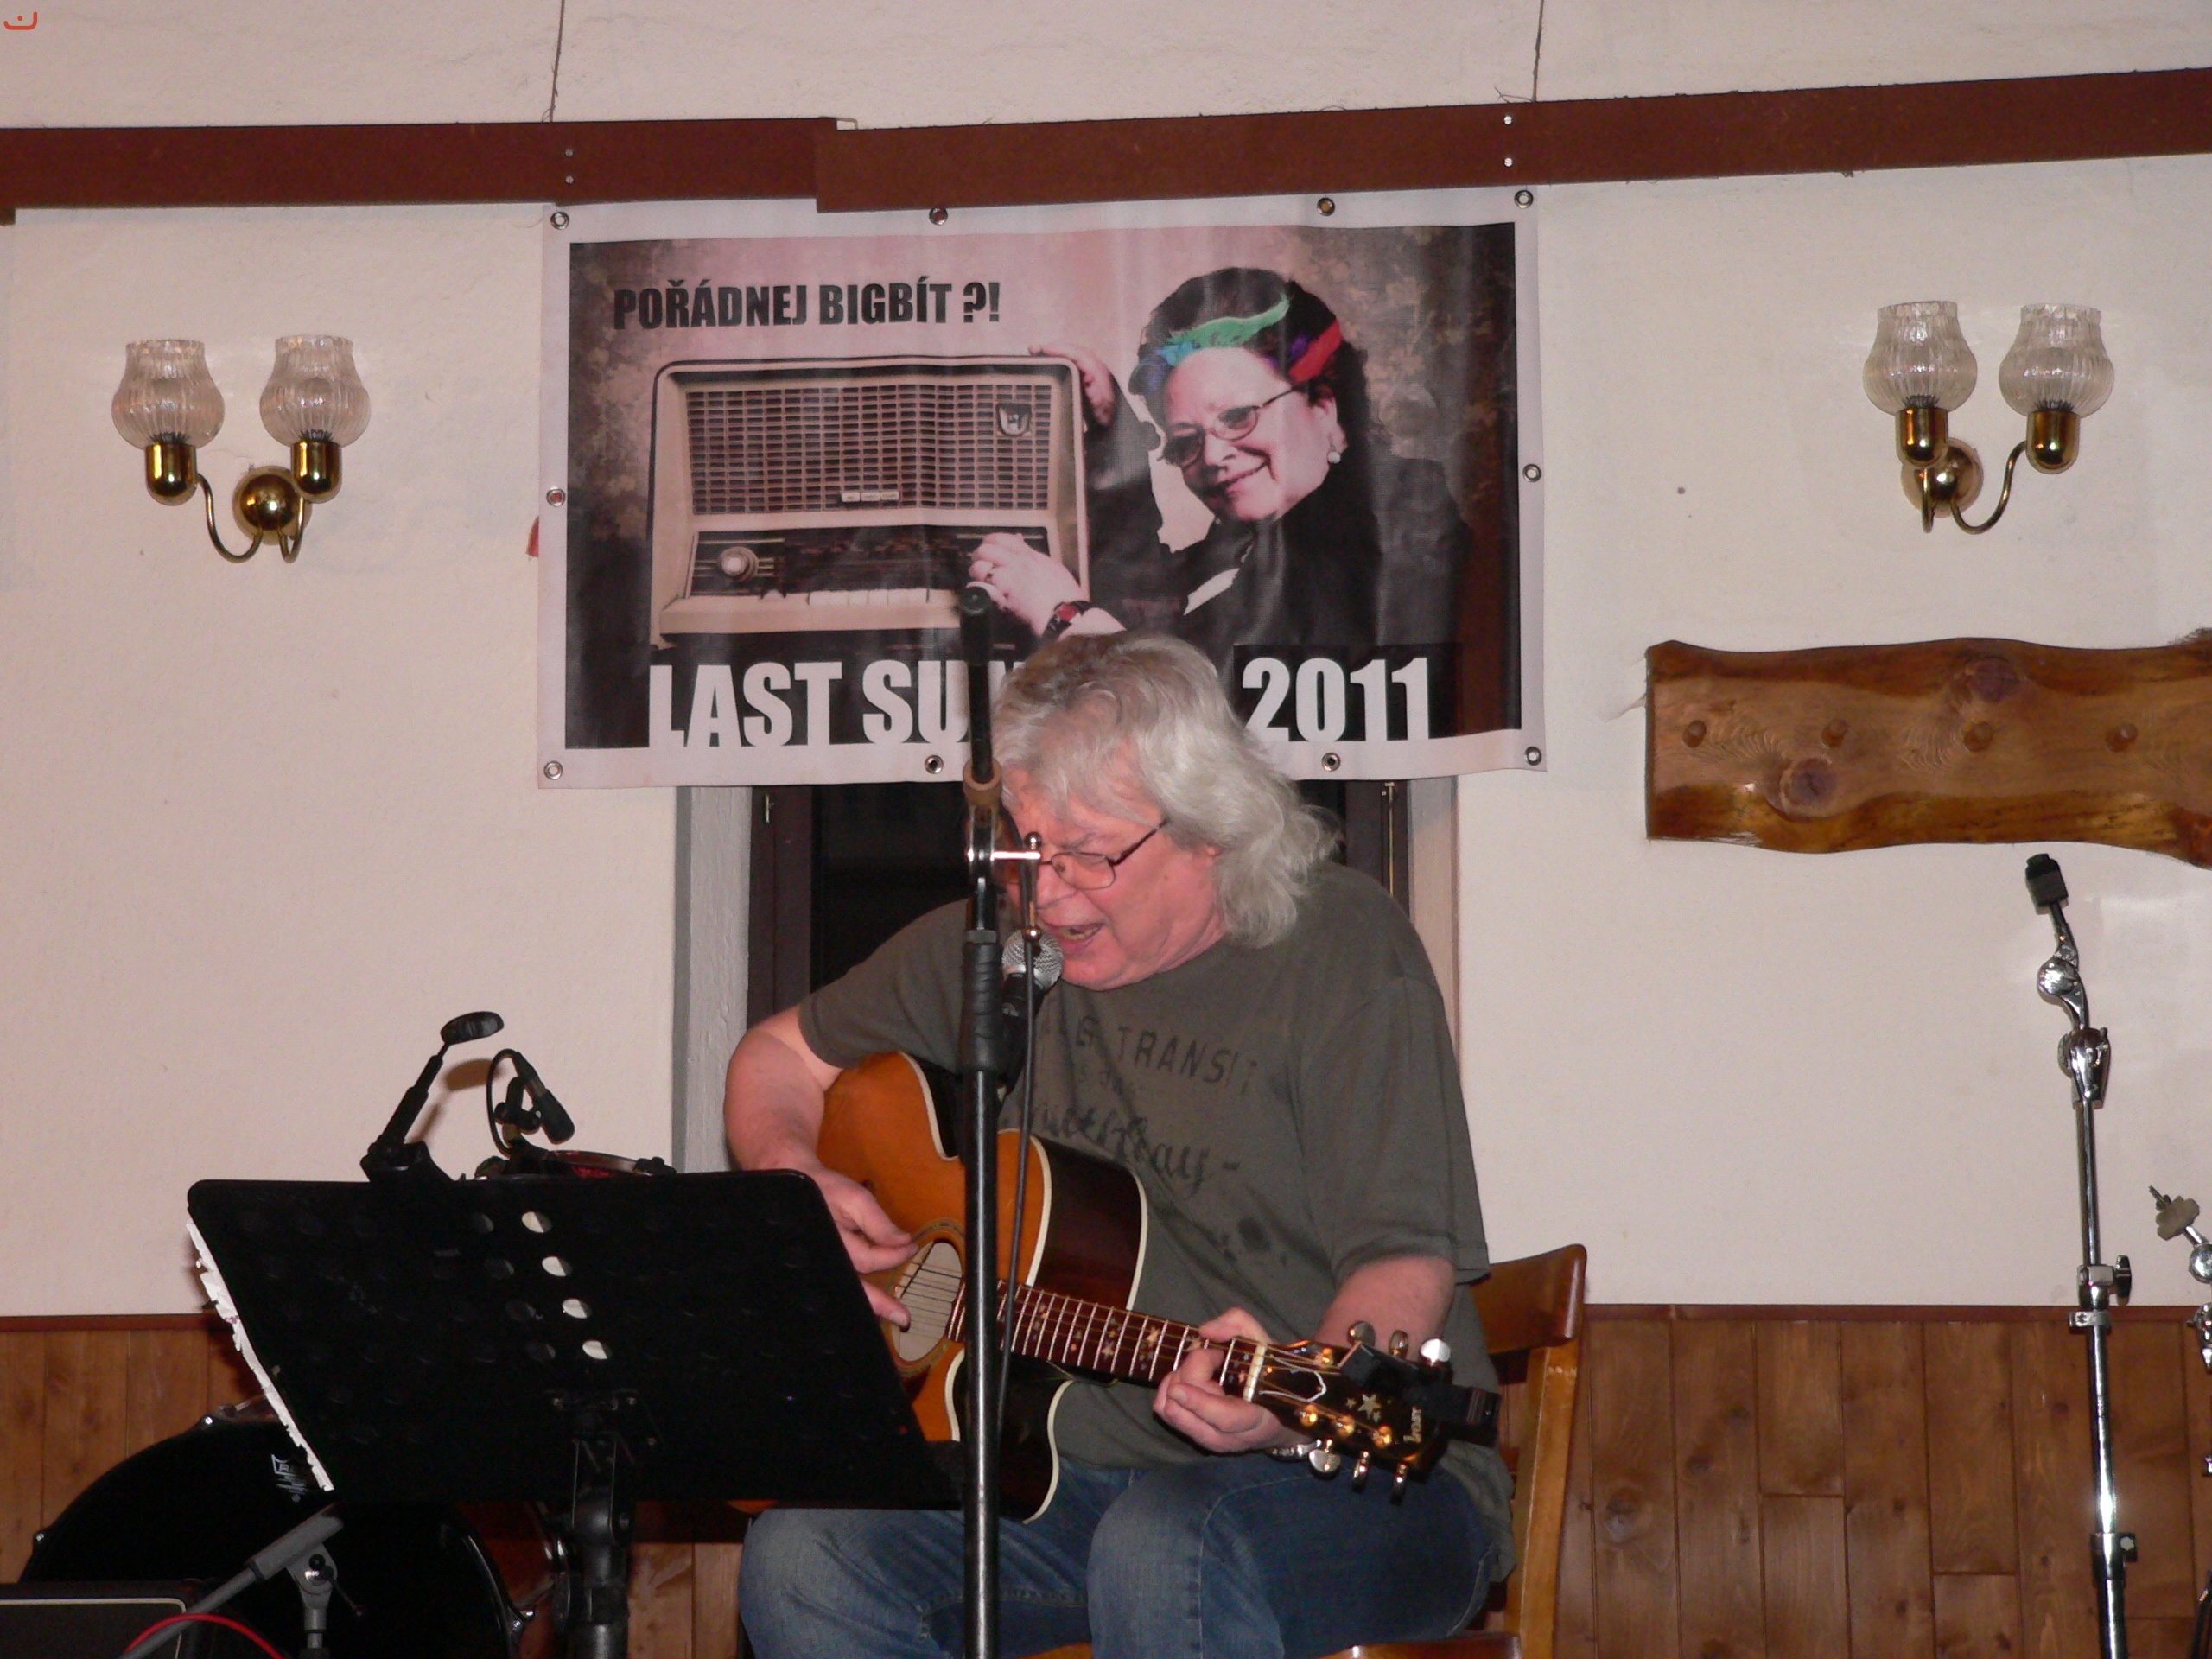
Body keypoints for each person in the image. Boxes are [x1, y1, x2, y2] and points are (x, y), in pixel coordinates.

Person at [725, 632, 1510, 1659]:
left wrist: (1289, 1412)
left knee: (1165, 1543)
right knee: (803, 1555)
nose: (1047, 894)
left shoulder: (1340, 950)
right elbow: (778, 1058)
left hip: (1362, 1482)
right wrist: (792, 1175)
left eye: (1089, 853)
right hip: (1066, 1486)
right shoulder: (1002, 948)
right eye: (1023, 847)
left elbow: (1404, 1262)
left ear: (1210, 832)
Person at [965, 268, 1478, 684]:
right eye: (1185, 442)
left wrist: (1065, 617)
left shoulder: (1400, 526)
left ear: (1325, 407)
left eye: (1238, 417)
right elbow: (1148, 605)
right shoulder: (1252, 542)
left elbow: (1196, 709)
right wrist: (1113, 435)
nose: (1212, 456)